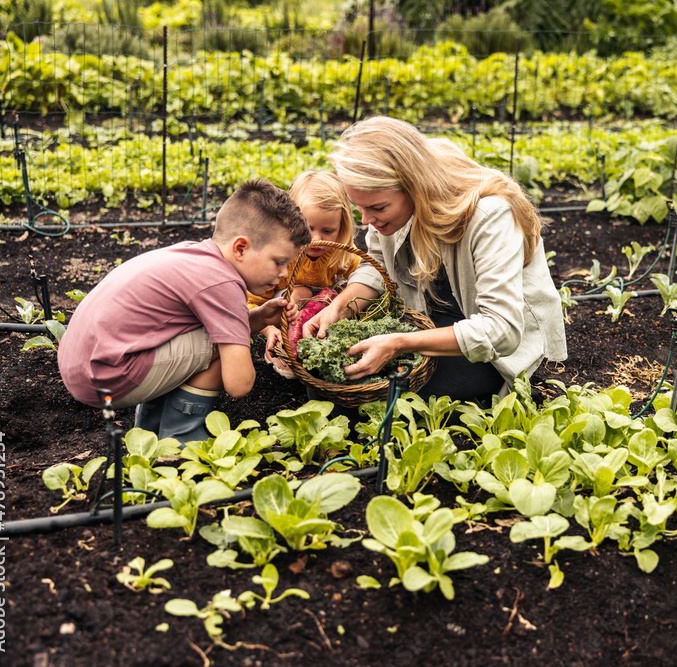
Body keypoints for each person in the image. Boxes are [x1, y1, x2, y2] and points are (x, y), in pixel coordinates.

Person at [304, 116, 567, 403]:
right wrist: (340, 307)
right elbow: (376, 265)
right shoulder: (393, 206)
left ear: (414, 187)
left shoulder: (490, 215)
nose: (366, 221)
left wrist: (399, 343)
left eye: (378, 207)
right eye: (359, 208)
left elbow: (500, 330)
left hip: (489, 342)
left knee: (398, 395)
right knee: (330, 378)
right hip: (431, 314)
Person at [58, 179, 309, 443]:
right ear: (240, 248)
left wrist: (259, 318)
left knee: (208, 335)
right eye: (279, 262)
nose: (283, 275)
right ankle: (181, 438)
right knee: (220, 348)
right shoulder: (225, 283)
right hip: (106, 378)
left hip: (83, 364)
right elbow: (240, 384)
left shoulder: (195, 256)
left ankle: (150, 431)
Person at [247, 171, 360, 379]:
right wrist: (268, 329)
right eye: (308, 228)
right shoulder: (280, 258)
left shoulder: (341, 251)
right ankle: (284, 346)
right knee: (299, 293)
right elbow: (251, 303)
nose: (316, 239)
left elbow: (362, 279)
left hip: (321, 304)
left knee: (343, 294)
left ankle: (315, 345)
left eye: (328, 231)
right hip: (284, 306)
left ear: (341, 227)